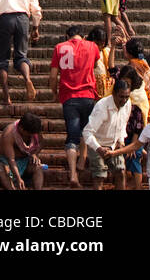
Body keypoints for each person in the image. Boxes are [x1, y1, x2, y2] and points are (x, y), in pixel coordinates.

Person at [49, 24, 100, 188]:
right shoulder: (92, 46)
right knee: (87, 130)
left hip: (69, 97)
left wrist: (54, 92)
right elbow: (97, 66)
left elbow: (53, 75)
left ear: (66, 36)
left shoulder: (59, 47)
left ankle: (73, 174)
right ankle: (82, 160)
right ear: (83, 37)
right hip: (88, 95)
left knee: (72, 137)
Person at [82, 72, 138, 189]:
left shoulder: (127, 104)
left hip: (113, 145)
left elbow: (122, 124)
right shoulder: (102, 106)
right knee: (99, 176)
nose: (124, 100)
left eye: (127, 97)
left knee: (121, 172)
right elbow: (87, 132)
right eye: (121, 97)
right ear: (114, 94)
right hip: (97, 145)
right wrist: (98, 148)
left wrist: (121, 141)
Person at [0, 112, 44, 190]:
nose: (31, 136)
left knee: (37, 167)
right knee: (0, 168)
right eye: (29, 134)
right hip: (8, 163)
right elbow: (11, 160)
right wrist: (18, 178)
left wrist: (34, 154)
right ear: (22, 129)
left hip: (25, 161)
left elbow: (41, 142)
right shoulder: (9, 133)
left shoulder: (34, 129)